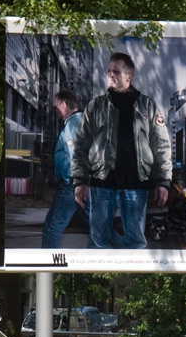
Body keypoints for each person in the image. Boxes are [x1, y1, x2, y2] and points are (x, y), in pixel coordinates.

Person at [72, 51, 172, 249]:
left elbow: (161, 145)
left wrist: (163, 181)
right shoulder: (96, 106)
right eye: (109, 70)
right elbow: (81, 144)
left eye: (116, 71)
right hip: (101, 184)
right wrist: (80, 180)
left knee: (135, 242)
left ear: (129, 76)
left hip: (135, 186)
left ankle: (134, 278)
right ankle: (95, 278)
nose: (110, 74)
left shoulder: (147, 106)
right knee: (97, 240)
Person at [42, 89, 83, 247]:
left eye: (56, 107)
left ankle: (47, 267)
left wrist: (71, 180)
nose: (56, 111)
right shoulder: (83, 121)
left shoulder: (73, 124)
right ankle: (127, 249)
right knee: (98, 226)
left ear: (64, 105)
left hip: (71, 184)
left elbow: (73, 154)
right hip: (83, 182)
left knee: (52, 227)